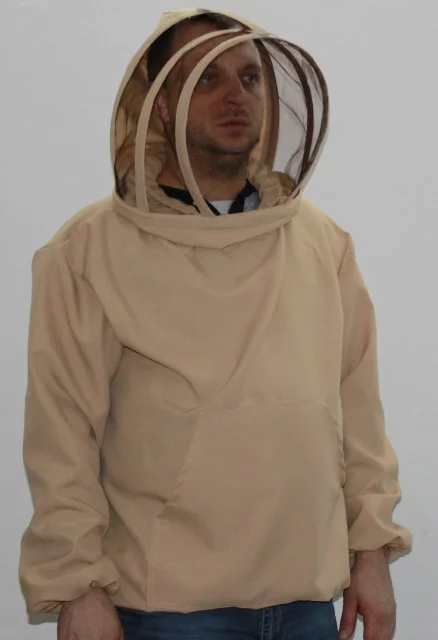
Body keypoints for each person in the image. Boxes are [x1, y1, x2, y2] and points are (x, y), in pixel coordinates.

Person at [19, 8, 412, 640]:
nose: (236, 96)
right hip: (167, 613)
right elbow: (61, 434)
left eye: (250, 78)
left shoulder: (321, 243)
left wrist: (371, 552)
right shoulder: (88, 251)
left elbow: (358, 411)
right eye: (208, 77)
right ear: (162, 102)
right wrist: (77, 587)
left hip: (309, 603)